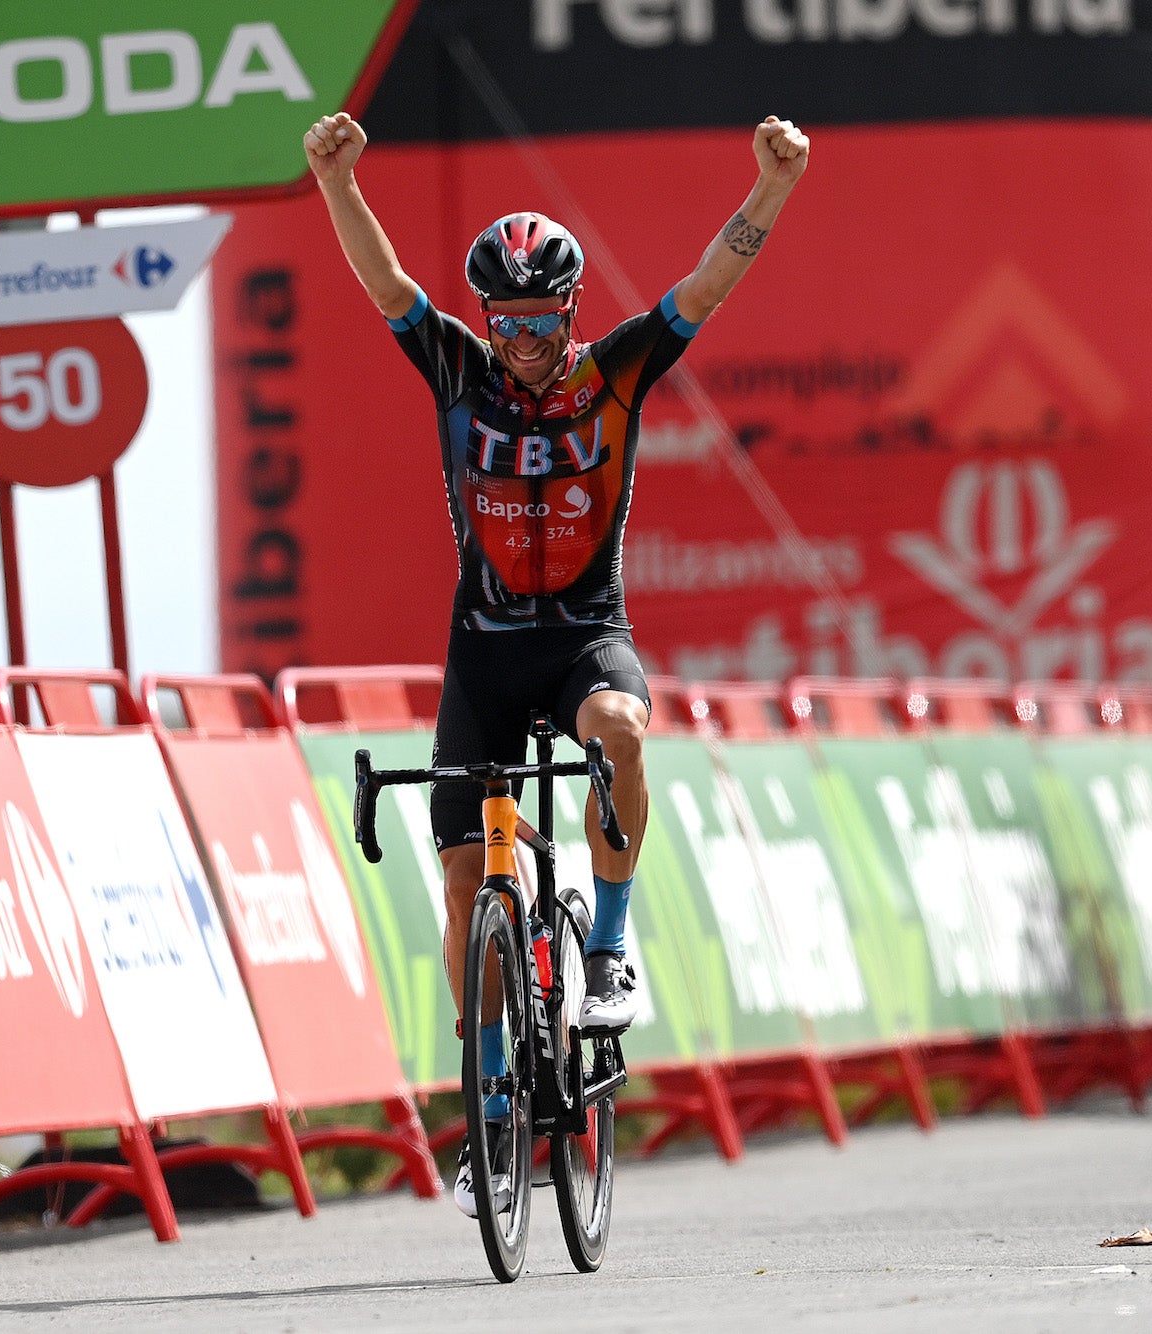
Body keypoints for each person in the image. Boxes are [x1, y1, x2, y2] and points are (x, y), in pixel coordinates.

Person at [304, 109, 809, 1216]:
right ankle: (485, 1091)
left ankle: (613, 950)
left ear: (568, 313)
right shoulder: (456, 372)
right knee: (459, 881)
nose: (524, 340)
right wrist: (337, 181)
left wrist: (770, 188)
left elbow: (705, 287)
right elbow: (385, 282)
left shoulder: (617, 372)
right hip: (481, 652)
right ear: (487, 316)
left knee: (623, 732)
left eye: (540, 321)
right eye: (507, 321)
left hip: (585, 636)